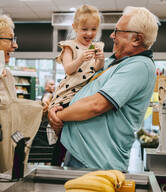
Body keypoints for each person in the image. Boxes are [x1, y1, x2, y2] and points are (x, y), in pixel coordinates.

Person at [48, 6, 159, 171]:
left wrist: (59, 117)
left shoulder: (140, 66)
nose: (112, 35)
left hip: (96, 161)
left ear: (136, 39)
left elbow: (96, 105)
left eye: (117, 31)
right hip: (81, 153)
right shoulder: (115, 61)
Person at [0, 15, 42, 173]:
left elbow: (13, 112)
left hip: (2, 165)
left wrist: (41, 109)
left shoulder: (7, 76)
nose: (15, 45)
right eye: (10, 39)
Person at [49, 4, 105, 114]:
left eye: (93, 29)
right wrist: (80, 59)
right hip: (69, 93)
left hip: (87, 92)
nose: (89, 33)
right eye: (84, 29)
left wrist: (101, 60)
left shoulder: (95, 47)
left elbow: (96, 69)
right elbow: (68, 69)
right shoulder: (69, 47)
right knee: (61, 122)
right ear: (75, 27)